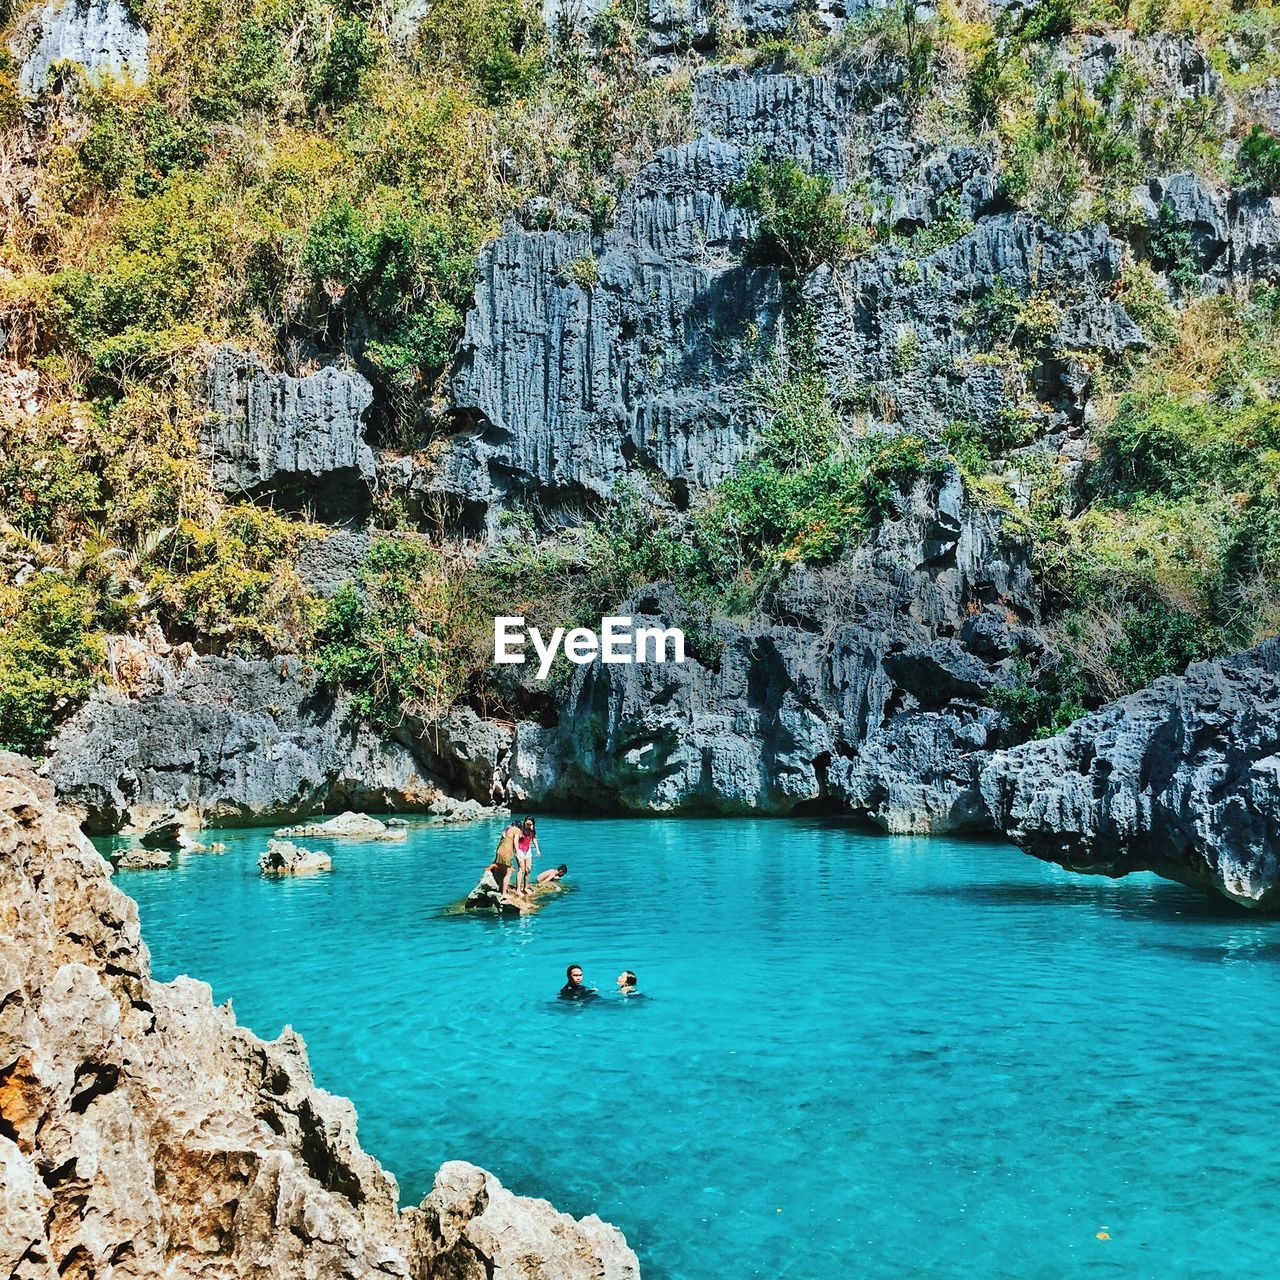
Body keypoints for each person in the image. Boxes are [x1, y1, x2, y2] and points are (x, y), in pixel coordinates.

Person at [494, 820, 522, 897]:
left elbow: (501, 842)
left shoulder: (506, 829)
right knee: (508, 874)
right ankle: (504, 894)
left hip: (499, 851)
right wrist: (518, 855)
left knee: (503, 872)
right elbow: (516, 844)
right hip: (507, 852)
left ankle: (503, 889)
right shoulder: (517, 830)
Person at [515, 817, 541, 896]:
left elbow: (533, 839)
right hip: (520, 850)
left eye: (530, 824)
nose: (528, 825)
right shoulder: (520, 829)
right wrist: (516, 852)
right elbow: (516, 840)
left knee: (528, 869)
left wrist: (537, 849)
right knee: (521, 869)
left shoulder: (531, 830)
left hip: (527, 850)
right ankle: (518, 889)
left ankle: (525, 887)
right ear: (524, 822)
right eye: (527, 824)